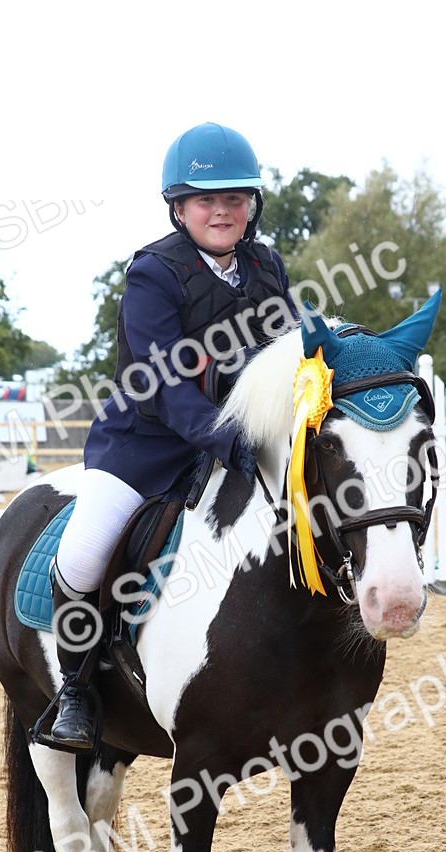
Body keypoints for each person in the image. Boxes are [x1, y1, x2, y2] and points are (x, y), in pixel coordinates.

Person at [48, 121, 299, 750]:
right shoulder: (152, 274)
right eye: (206, 200)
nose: (223, 211)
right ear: (179, 208)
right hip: (146, 447)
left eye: (235, 198)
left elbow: (291, 352)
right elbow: (166, 386)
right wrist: (229, 440)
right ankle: (75, 689)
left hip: (245, 439)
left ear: (252, 205)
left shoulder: (266, 266)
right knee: (83, 557)